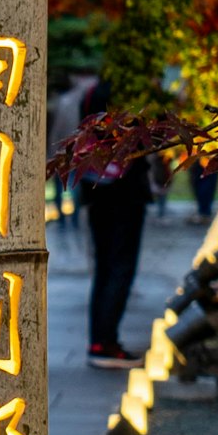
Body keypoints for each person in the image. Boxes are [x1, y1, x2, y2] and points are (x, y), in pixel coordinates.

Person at [69, 70, 158, 364]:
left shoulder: (93, 92)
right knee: (121, 266)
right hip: (125, 190)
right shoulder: (134, 95)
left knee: (105, 266)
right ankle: (106, 343)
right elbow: (151, 137)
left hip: (97, 189)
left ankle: (99, 340)